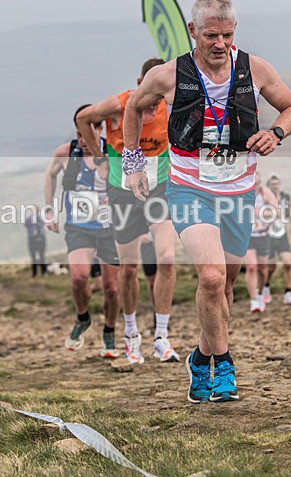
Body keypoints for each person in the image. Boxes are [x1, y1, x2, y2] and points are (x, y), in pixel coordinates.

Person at [122, 0, 291, 402]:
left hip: (240, 191)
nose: (219, 44)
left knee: (224, 290)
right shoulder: (167, 75)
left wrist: (275, 133)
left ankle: (200, 357)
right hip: (189, 188)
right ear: (193, 32)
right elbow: (133, 108)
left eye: (226, 35)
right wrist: (133, 164)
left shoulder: (255, 69)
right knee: (210, 276)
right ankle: (224, 365)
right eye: (210, 36)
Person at [76, 58, 180, 364]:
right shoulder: (118, 104)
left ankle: (162, 337)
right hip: (122, 192)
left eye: (159, 99)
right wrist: (99, 158)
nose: (152, 107)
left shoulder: (170, 105)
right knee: (130, 267)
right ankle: (131, 334)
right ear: (140, 83)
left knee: (168, 258)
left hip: (159, 189)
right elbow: (83, 118)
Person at [44, 106, 121, 358]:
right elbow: (50, 174)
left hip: (108, 228)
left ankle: (109, 333)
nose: (83, 140)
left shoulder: (111, 154)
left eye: (88, 133)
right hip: (79, 227)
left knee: (110, 288)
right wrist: (49, 208)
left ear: (100, 130)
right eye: (79, 134)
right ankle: (82, 318)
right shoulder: (66, 153)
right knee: (78, 278)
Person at [245, 173, 278, 313]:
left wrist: (259, 212)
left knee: (262, 269)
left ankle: (261, 291)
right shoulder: (242, 192)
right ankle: (253, 300)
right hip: (247, 234)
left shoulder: (266, 193)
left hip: (263, 234)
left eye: (256, 183)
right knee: (251, 266)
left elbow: (277, 211)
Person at [264, 173, 291, 305]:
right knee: (271, 267)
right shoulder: (264, 197)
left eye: (277, 184)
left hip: (282, 233)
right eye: (272, 184)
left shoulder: (285, 197)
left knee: (288, 263)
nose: (275, 186)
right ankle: (266, 287)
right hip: (269, 235)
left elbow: (290, 211)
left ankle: (288, 293)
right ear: (268, 186)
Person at [24, 208, 48, 277]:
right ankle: (42, 272)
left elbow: (25, 225)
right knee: (40, 256)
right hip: (38, 238)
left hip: (35, 238)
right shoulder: (41, 218)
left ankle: (36, 273)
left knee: (36, 256)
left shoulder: (30, 219)